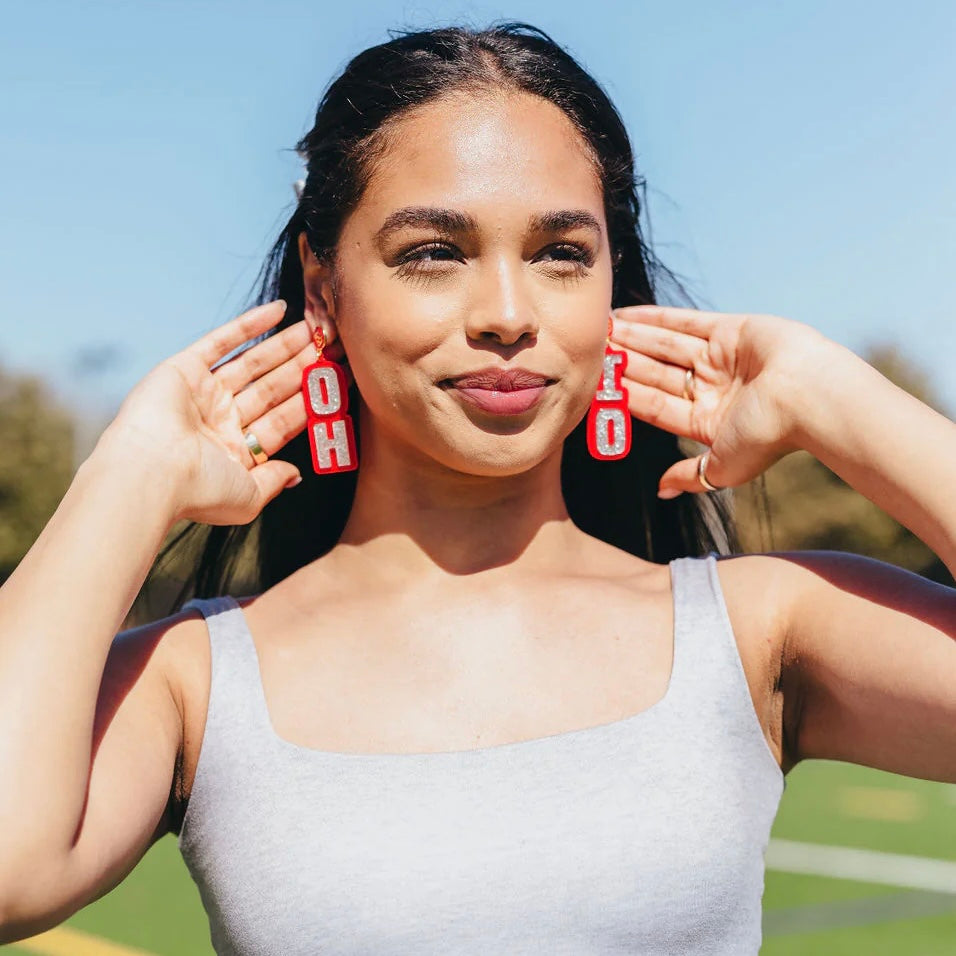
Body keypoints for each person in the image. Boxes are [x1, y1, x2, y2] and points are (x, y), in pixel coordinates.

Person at [0, 21, 953, 956]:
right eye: (434, 253)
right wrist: (125, 477)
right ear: (324, 288)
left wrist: (845, 406)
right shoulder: (194, 679)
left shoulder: (762, 630)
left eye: (561, 255)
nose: (507, 314)